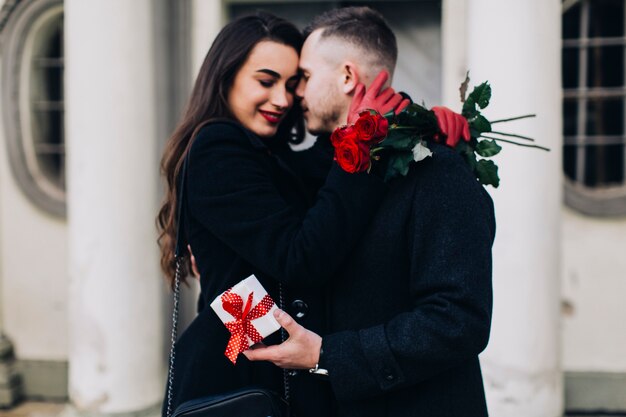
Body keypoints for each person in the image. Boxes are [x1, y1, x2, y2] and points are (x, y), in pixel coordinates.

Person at [156, 11, 413, 417]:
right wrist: (364, 145)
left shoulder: (267, 155)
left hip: (256, 356)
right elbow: (300, 258)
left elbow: (318, 179)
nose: (282, 98)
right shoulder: (216, 146)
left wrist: (414, 128)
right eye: (265, 81)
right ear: (226, 78)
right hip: (235, 375)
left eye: (295, 84)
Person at [244, 6, 496, 417]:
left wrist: (330, 354)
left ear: (346, 76)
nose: (296, 95)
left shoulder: (439, 172)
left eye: (304, 78)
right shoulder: (319, 172)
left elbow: (458, 321)